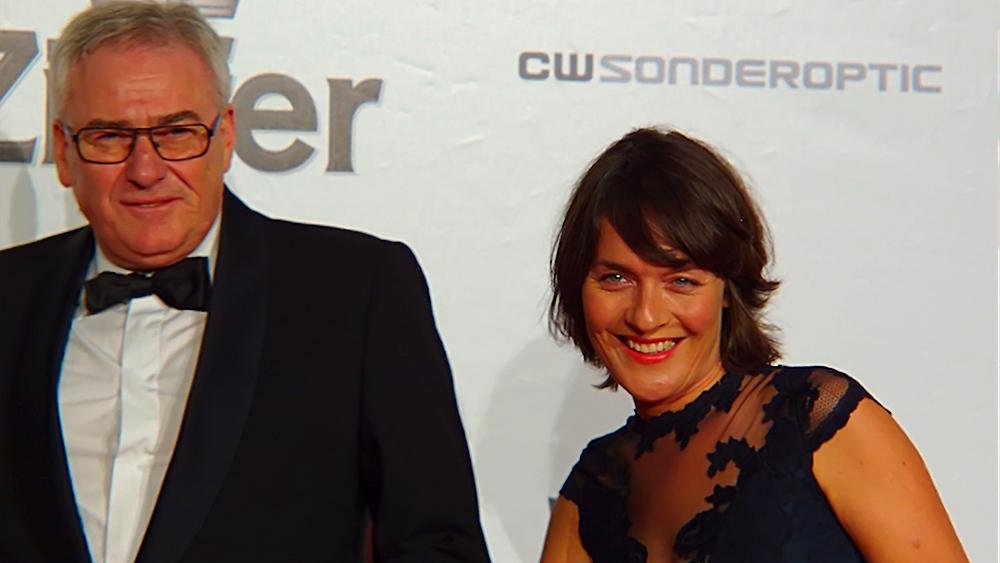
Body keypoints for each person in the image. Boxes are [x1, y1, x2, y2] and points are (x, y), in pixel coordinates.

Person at [0, 2, 490, 562]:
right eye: (109, 137)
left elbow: (438, 544)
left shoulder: (356, 294)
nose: (145, 169)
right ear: (64, 152)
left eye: (177, 132)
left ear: (227, 135)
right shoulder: (9, 297)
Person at [540, 128, 967, 562]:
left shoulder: (816, 422)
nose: (645, 316)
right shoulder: (589, 495)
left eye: (681, 281)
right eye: (616, 278)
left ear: (727, 290)